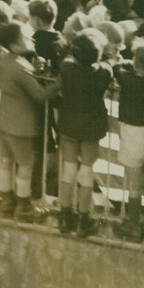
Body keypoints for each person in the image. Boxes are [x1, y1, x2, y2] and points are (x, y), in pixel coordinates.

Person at [0, 21, 59, 223]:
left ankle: (6, 202)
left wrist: (34, 71)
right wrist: (60, 81)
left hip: (3, 120)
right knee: (25, 164)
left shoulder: (6, 60)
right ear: (14, 45)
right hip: (20, 125)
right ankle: (23, 206)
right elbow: (39, 95)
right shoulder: (21, 67)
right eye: (25, 37)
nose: (31, 38)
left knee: (4, 161)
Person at [57, 29, 112, 237]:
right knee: (86, 171)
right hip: (91, 129)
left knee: (69, 168)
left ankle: (64, 215)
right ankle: (83, 217)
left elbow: (68, 59)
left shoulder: (67, 67)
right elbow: (107, 64)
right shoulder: (104, 73)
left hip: (69, 126)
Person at [114, 39, 144, 242]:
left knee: (134, 185)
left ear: (136, 63)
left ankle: (133, 226)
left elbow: (117, 68)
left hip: (133, 137)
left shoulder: (128, 80)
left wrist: (122, 61)